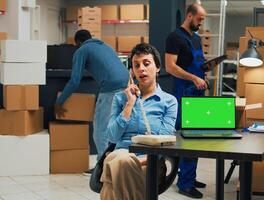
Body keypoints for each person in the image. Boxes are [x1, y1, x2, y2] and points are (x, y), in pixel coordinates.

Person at [99, 43, 177, 200]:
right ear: (132, 72)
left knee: (112, 182)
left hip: (150, 162)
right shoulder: (121, 98)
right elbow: (112, 137)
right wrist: (129, 104)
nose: (141, 68)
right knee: (121, 160)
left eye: (146, 63)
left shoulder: (169, 101)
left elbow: (163, 140)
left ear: (157, 68)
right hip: (121, 155)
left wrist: (139, 160)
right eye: (136, 65)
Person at [55, 30, 129, 174]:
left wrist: (60, 101)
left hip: (110, 88)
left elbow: (75, 80)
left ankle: (102, 168)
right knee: (120, 128)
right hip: (127, 86)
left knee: (100, 131)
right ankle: (120, 164)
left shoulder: (82, 50)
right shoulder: (105, 46)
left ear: (78, 42)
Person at [165, 3, 207, 199]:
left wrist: (205, 71)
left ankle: (189, 176)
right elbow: (170, 67)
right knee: (187, 136)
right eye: (199, 19)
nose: (201, 23)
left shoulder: (197, 39)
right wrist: (193, 78)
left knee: (197, 134)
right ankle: (185, 184)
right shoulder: (175, 37)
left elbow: (197, 65)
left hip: (198, 91)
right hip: (184, 93)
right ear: (189, 16)